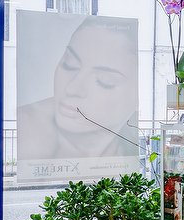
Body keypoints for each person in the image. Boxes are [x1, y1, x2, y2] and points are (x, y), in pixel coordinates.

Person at [18, 16, 139, 160]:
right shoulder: (29, 127)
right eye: (69, 64)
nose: (72, 88)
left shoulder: (128, 153)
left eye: (104, 81)